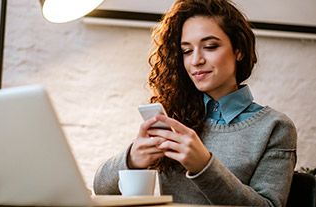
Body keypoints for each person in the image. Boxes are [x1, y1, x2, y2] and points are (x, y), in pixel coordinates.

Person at [93, 0, 297, 206]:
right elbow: (101, 189)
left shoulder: (275, 128)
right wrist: (132, 159)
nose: (196, 60)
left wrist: (203, 166)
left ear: (238, 50)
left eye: (210, 46)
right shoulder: (176, 116)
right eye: (187, 51)